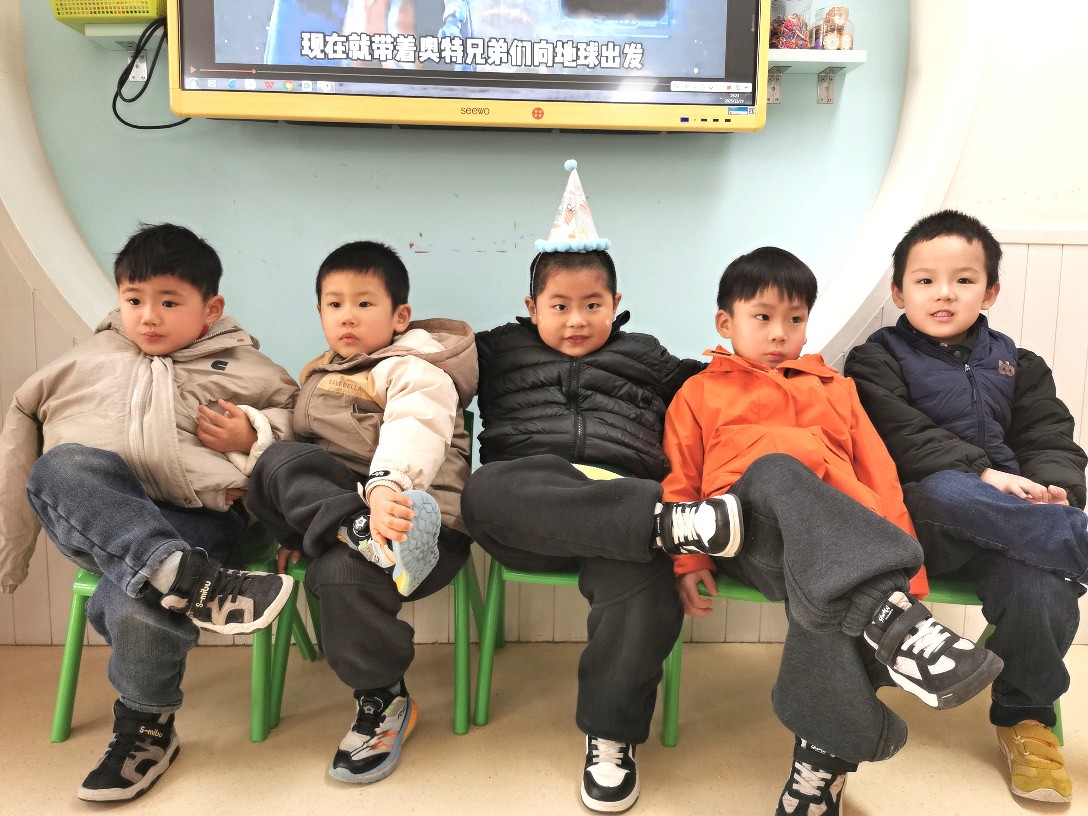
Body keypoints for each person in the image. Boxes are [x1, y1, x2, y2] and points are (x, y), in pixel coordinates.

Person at [660, 246, 1005, 816]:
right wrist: (690, 560)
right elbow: (680, 479)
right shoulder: (699, 392)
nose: (780, 333)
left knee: (829, 592)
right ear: (726, 323)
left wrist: (909, 575)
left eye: (795, 319)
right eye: (763, 317)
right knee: (777, 470)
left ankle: (819, 771)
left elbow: (880, 477)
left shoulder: (835, 390)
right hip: (748, 535)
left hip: (840, 544)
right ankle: (896, 627)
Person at [461, 159, 742, 814]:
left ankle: (611, 737)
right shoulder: (498, 350)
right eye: (559, 306)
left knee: (643, 577)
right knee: (483, 492)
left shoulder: (643, 353)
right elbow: (429, 363)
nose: (577, 320)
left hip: (625, 507)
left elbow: (712, 387)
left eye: (593, 305)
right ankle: (667, 523)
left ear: (615, 305)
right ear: (531, 308)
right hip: (533, 502)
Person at [0, 223, 299, 802]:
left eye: (169, 302)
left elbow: (304, 431)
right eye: (134, 300)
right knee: (58, 466)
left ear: (210, 309)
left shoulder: (248, 369)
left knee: (135, 596)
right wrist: (11, 554)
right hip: (98, 516)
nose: (148, 317)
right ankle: (190, 579)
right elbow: (20, 441)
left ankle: (146, 727)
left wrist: (254, 431)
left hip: (197, 517)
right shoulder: (84, 361)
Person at [845, 210, 1087, 804]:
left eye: (963, 280)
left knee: (1041, 589)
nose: (944, 293)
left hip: (1009, 527)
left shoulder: (1021, 365)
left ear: (991, 291)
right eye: (925, 280)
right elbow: (899, 438)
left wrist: (1055, 491)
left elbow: (1049, 439)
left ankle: (1026, 720)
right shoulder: (875, 360)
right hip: (920, 523)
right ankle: (1073, 539)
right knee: (945, 489)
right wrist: (984, 473)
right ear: (899, 291)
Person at [246, 240, 477, 786]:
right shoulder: (315, 377)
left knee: (340, 573)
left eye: (364, 303)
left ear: (399, 316)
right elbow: (298, 453)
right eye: (335, 304)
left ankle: (382, 699)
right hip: (352, 523)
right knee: (275, 462)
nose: (347, 316)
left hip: (417, 526)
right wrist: (248, 435)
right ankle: (347, 530)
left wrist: (387, 488)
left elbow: (415, 427)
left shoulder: (415, 369)